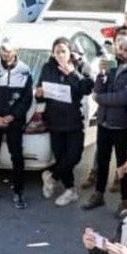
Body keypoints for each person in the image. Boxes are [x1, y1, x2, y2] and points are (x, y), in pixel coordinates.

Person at [86, 32, 127, 210]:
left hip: (121, 124)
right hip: (104, 122)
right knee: (102, 159)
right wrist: (102, 74)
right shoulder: (112, 67)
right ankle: (98, 194)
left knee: (123, 162)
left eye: (126, 50)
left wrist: (99, 98)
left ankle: (125, 199)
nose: (122, 52)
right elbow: (97, 88)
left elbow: (124, 98)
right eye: (120, 48)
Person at [35, 37, 92, 208]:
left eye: (63, 51)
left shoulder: (80, 66)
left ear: (70, 52)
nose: (60, 55)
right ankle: (70, 190)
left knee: (74, 156)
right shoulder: (47, 67)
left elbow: (87, 88)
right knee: (61, 156)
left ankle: (51, 176)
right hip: (54, 119)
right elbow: (41, 90)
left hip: (74, 119)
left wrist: (71, 73)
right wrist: (39, 93)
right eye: (57, 51)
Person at [0, 37, 34, 210]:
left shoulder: (25, 71)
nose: (5, 53)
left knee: (17, 156)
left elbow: (26, 99)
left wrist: (12, 116)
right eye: (3, 49)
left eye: (8, 50)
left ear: (15, 51)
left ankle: (18, 192)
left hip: (14, 122)